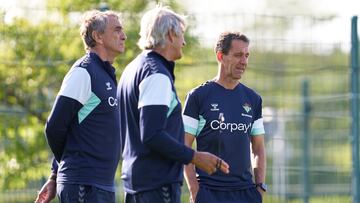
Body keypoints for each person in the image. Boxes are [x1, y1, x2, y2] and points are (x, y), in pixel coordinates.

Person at [117, 5, 229, 203]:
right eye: (181, 35)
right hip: (156, 186)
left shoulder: (132, 69)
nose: (184, 42)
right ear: (170, 34)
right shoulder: (156, 74)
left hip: (137, 183)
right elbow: (151, 134)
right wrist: (194, 157)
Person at [35, 10, 126, 203]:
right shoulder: (84, 72)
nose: (124, 36)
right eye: (117, 30)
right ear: (98, 36)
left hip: (101, 185)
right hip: (83, 186)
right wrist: (69, 166)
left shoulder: (106, 73)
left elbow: (72, 131)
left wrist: (54, 174)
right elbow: (54, 128)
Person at [182, 32, 267, 203]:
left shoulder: (253, 99)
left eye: (246, 56)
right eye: (238, 55)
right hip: (208, 192)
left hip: (246, 194)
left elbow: (258, 148)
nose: (244, 61)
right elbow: (184, 146)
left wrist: (259, 188)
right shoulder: (198, 96)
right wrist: (195, 191)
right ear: (221, 56)